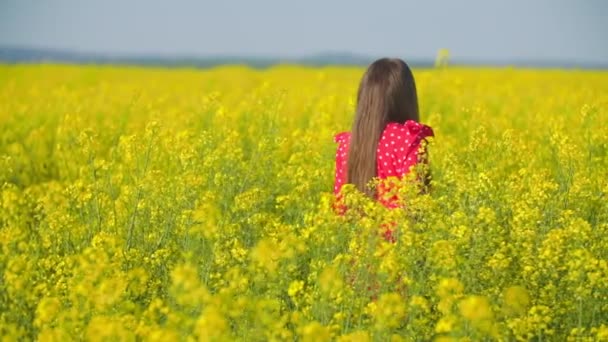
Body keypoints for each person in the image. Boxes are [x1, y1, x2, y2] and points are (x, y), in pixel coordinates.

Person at [333, 58, 434, 215]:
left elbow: (341, 208)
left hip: (358, 237)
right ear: (406, 98)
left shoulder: (347, 143)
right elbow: (417, 203)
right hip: (401, 237)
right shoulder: (410, 140)